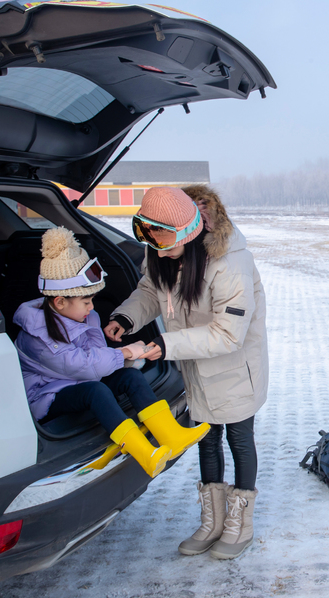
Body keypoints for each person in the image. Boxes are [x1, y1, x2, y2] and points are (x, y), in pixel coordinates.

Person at [104, 185, 268, 560]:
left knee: (238, 439)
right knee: (206, 438)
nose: (159, 248)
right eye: (152, 238)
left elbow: (228, 334)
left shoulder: (230, 264)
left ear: (191, 231)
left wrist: (164, 345)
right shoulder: (162, 250)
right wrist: (125, 317)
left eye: (167, 239)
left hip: (234, 367)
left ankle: (240, 523)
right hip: (195, 364)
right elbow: (150, 290)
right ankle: (212, 522)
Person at [13, 227, 209, 478]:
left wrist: (126, 360)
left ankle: (172, 435)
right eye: (86, 302)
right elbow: (83, 366)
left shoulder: (86, 316)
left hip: (79, 381)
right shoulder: (36, 335)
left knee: (131, 377)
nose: (92, 307)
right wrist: (126, 352)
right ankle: (144, 454)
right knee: (97, 391)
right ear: (60, 301)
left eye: (92, 299)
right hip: (49, 395)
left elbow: (96, 355)